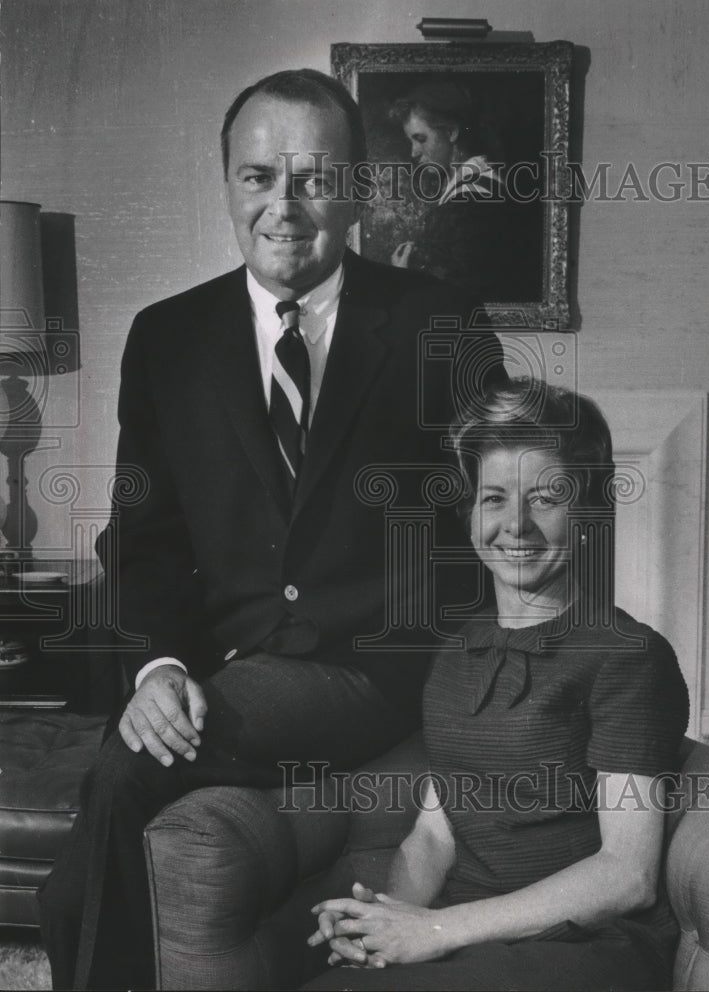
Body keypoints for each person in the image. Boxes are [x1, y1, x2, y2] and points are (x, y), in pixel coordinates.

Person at [38, 69, 503, 991]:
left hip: (373, 669)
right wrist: (159, 667)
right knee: (84, 864)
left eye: (313, 179)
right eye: (258, 178)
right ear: (226, 186)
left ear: (357, 190)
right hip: (219, 661)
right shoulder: (166, 337)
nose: (283, 208)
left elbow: (492, 524)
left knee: (129, 772)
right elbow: (144, 535)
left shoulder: (437, 323)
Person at [305, 378, 690, 992]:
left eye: (544, 498)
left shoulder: (628, 656)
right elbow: (436, 831)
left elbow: (627, 873)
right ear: (468, 515)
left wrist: (435, 932)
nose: (516, 525)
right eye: (493, 498)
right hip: (468, 936)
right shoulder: (457, 651)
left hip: (584, 948)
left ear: (587, 510)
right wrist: (383, 923)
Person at [389, 80, 540, 301]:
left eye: (420, 139)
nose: (413, 152)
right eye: (411, 141)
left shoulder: (469, 201)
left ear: (451, 132)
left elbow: (454, 299)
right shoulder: (480, 185)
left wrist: (404, 278)